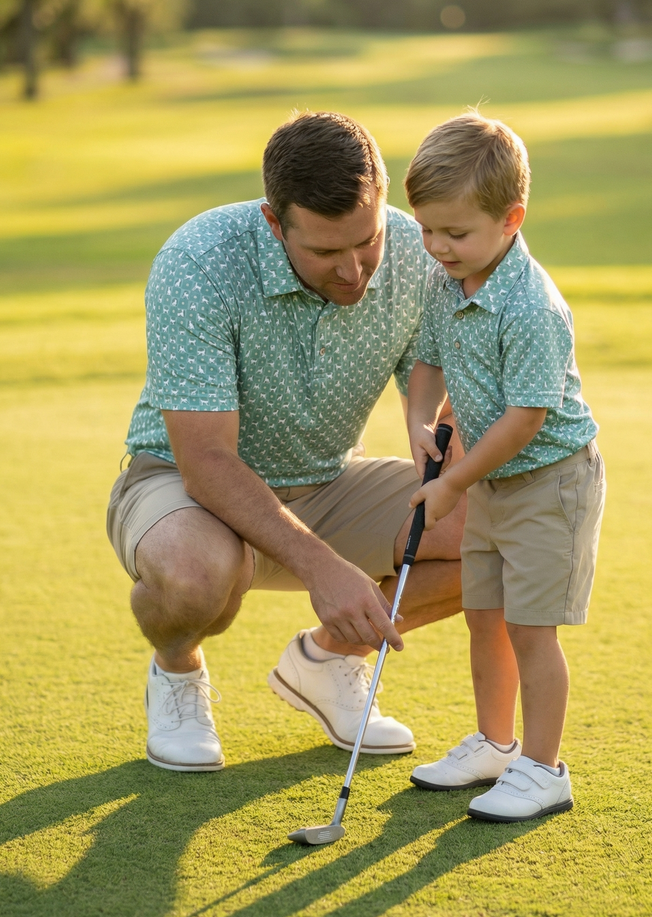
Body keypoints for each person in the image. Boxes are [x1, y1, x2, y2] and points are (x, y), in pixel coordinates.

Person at [107, 111, 465, 773]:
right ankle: (177, 673)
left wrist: (425, 423)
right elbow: (206, 461)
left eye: (368, 241)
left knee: (505, 525)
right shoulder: (200, 261)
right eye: (326, 253)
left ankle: (327, 662)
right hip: (186, 490)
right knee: (196, 578)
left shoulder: (418, 251)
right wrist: (322, 569)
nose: (355, 271)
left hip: (328, 482)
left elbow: (428, 366)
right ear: (276, 224)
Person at [404, 111, 606, 821]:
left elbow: (527, 419)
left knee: (530, 627)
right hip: (489, 479)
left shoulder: (531, 305)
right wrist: (419, 422)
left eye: (454, 233)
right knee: (483, 615)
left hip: (550, 481)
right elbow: (426, 362)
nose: (437, 246)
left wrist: (454, 478)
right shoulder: (442, 278)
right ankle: (495, 744)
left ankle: (544, 770)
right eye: (427, 229)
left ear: (511, 218)